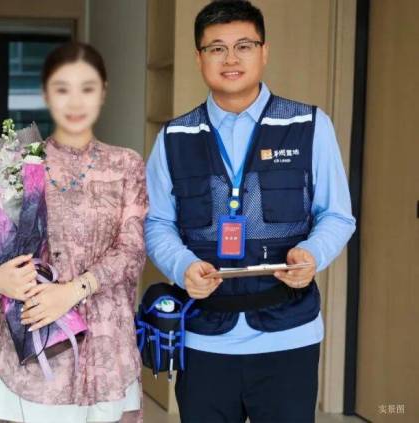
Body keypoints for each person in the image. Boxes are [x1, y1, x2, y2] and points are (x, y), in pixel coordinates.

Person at [145, 1, 356, 422]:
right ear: (199, 58)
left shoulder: (309, 125)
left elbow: (337, 215)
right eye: (216, 48)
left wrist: (313, 254)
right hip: (204, 338)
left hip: (288, 335)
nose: (231, 59)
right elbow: (157, 222)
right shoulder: (174, 136)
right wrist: (182, 265)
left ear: (264, 51)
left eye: (243, 45)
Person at [0, 42, 147, 423]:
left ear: (103, 91)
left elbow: (132, 251)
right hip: (39, 347)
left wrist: (72, 291)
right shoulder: (15, 164)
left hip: (107, 349)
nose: (75, 101)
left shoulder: (125, 164)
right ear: (46, 93)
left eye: (87, 88)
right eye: (62, 88)